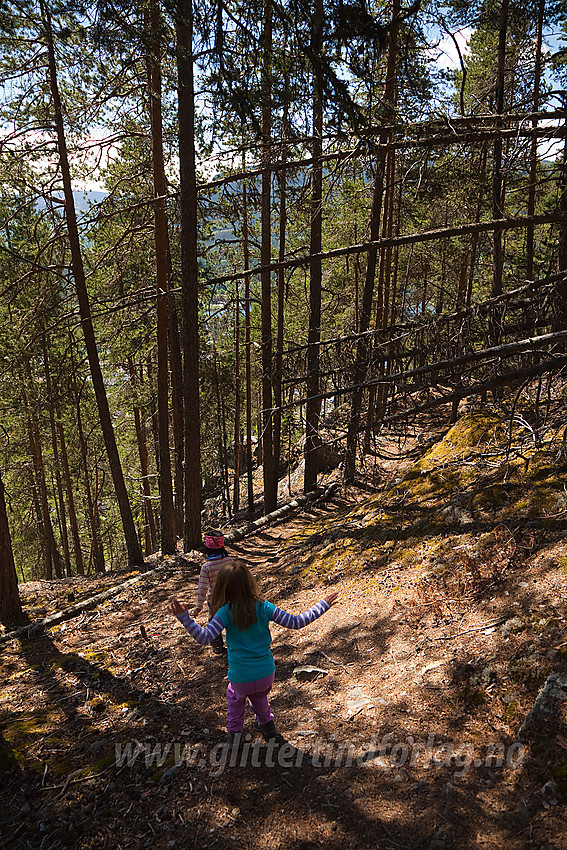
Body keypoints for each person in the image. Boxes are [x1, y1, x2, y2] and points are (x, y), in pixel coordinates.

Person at [169, 558, 338, 748]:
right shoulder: (264, 606)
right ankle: (268, 727)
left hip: (241, 678)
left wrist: (185, 618)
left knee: (235, 698)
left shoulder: (225, 612)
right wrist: (322, 605)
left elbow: (204, 637)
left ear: (223, 589)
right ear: (250, 582)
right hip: (266, 674)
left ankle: (234, 738)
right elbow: (296, 622)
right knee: (259, 696)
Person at [192, 530, 231, 655]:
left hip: (215, 601)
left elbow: (202, 588)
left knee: (214, 624)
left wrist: (198, 607)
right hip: (231, 597)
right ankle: (235, 645)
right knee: (232, 621)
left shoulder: (207, 567)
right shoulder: (229, 561)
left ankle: (218, 648)